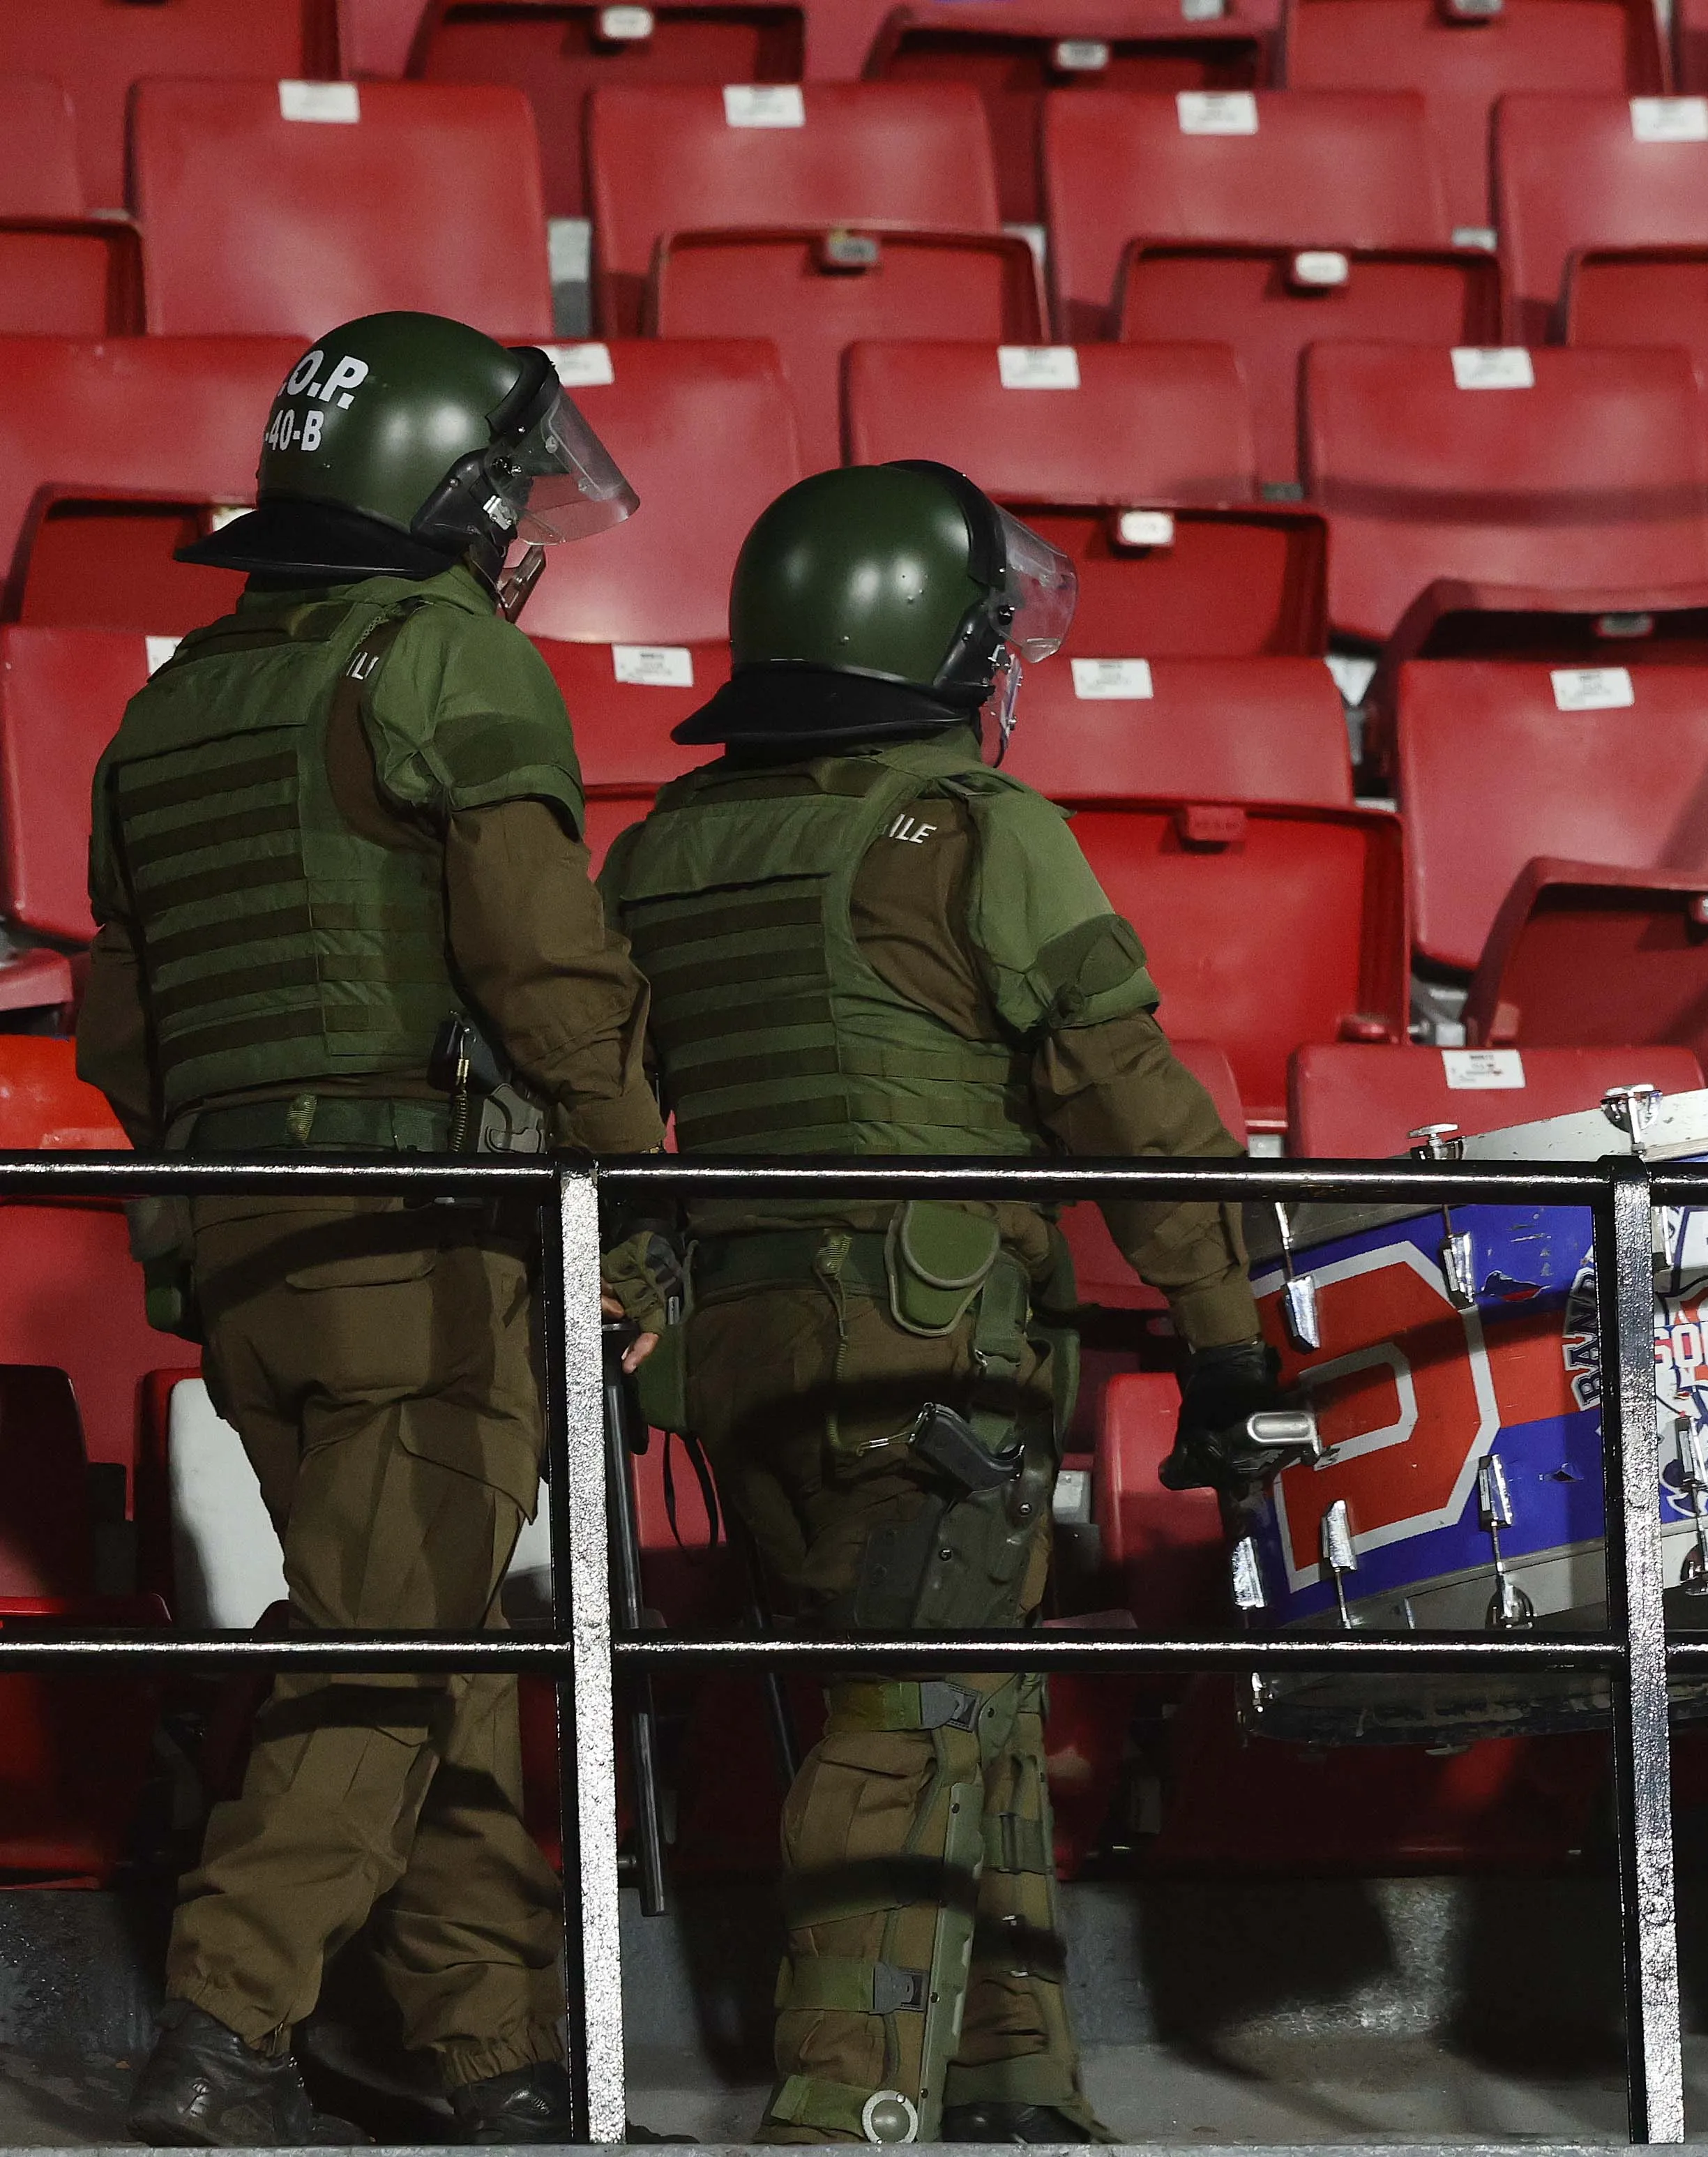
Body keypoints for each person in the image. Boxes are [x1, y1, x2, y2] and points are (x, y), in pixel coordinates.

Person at [597, 461, 1281, 2144]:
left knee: (966, 1698)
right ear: (938, 644)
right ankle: (850, 2111)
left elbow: (597, 1113)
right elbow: (1127, 1095)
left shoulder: (662, 848)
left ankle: (1007, 2080)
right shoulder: (978, 828)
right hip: (929, 1345)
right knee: (916, 1721)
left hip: (739, 1355)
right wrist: (1223, 1337)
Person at [78, 313, 663, 2145]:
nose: (517, 532)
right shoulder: (447, 662)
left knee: (428, 1634)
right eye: (505, 494)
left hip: (245, 1244)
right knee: (396, 1643)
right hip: (428, 1233)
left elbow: (123, 1026)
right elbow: (547, 967)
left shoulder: (168, 702)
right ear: (445, 497)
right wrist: (633, 1201)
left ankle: (483, 2052)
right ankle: (221, 2027)